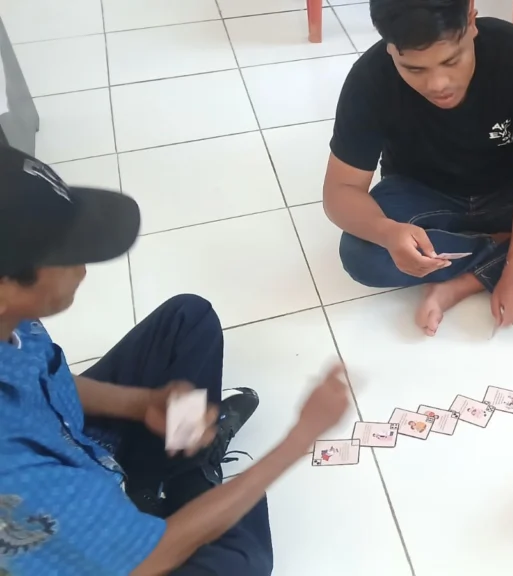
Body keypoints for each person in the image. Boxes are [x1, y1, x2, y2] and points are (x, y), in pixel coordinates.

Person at [0, 145, 351, 575]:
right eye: (67, 254)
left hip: (69, 452)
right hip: (66, 529)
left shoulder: (12, 320)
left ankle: (166, 484)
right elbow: (148, 561)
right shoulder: (13, 470)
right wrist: (301, 437)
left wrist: (141, 403)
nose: (85, 267)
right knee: (239, 560)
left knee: (188, 320)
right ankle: (181, 490)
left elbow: (43, 380)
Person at [324, 0, 513, 336]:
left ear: (471, 19)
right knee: (360, 254)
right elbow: (340, 191)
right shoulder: (370, 78)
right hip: (422, 196)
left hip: (508, 189)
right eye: (414, 69)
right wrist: (387, 232)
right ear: (389, 47)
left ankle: (466, 280)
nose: (438, 83)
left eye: (451, 60)